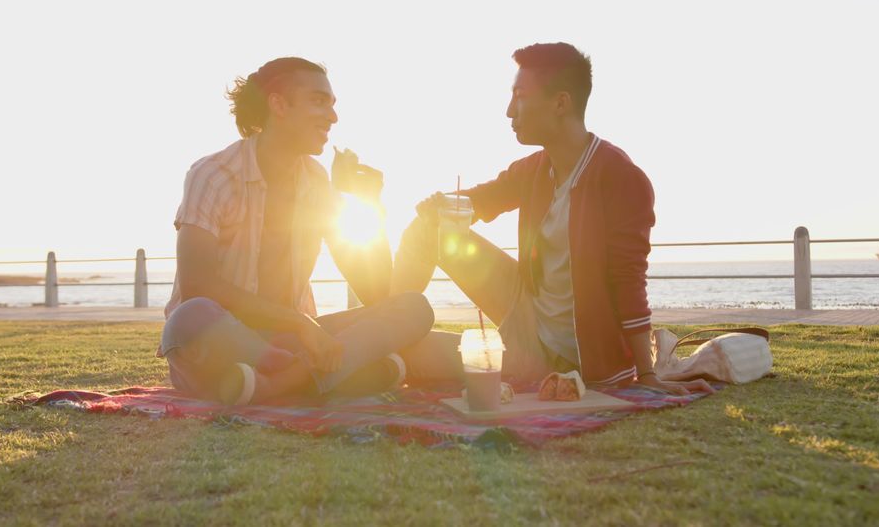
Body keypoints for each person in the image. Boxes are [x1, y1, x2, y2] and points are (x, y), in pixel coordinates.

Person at [392, 43, 713, 396]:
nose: (509, 111)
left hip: (564, 359)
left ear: (561, 103)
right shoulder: (534, 169)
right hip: (524, 311)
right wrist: (440, 204)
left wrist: (647, 375)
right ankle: (385, 323)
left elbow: (628, 279)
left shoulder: (620, 177)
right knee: (431, 226)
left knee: (411, 355)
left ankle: (384, 348)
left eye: (519, 96)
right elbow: (483, 198)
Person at [160, 57, 433, 405]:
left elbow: (376, 291)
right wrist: (301, 323)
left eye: (333, 105)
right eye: (319, 101)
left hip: (294, 340)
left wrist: (367, 204)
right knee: (190, 317)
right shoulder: (212, 175)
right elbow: (198, 286)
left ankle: (274, 384)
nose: (333, 117)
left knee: (414, 308)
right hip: (221, 335)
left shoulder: (317, 181)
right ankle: (332, 375)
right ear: (279, 105)